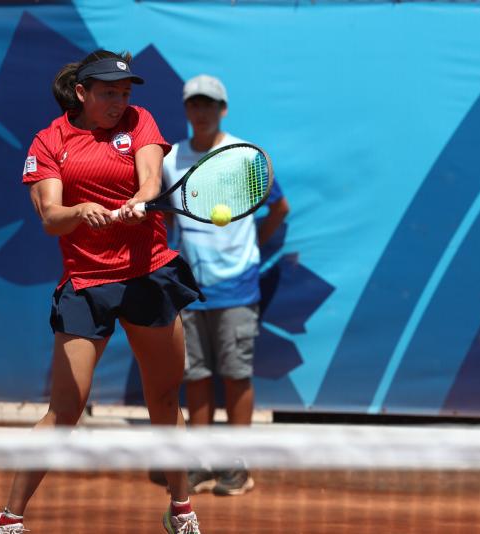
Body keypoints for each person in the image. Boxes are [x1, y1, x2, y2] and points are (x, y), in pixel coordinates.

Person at [0, 50, 203, 534]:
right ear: (81, 93)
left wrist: (138, 203)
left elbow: (150, 181)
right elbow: (50, 216)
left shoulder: (140, 121)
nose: (118, 101)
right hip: (87, 283)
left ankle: (181, 508)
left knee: (164, 398)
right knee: (66, 409)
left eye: (124, 92)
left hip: (148, 273)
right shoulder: (49, 141)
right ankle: (9, 517)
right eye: (108, 92)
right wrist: (80, 210)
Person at [162, 74, 289, 496]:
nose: (202, 112)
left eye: (210, 104)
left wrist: (249, 249)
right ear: (186, 109)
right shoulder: (170, 160)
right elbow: (168, 219)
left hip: (237, 288)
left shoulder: (243, 157)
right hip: (190, 289)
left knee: (235, 376)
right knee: (196, 376)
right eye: (195, 104)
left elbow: (279, 207)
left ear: (223, 109)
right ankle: (200, 463)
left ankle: (237, 465)